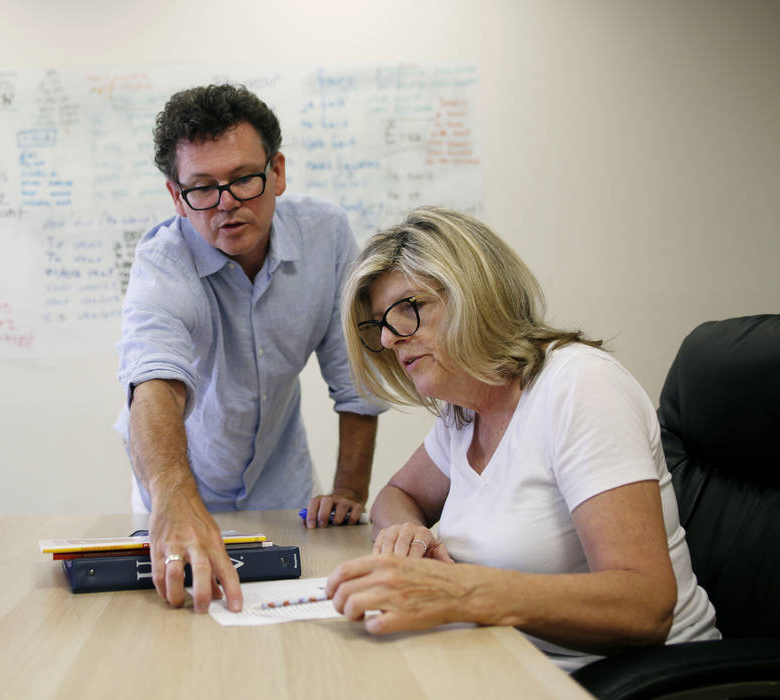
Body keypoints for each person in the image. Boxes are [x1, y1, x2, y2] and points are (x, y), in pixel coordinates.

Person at [324, 206, 719, 670]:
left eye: (408, 309)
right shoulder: (465, 410)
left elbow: (645, 606)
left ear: (475, 293)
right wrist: (404, 535)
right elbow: (397, 493)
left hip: (635, 680)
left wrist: (461, 590)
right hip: (509, 661)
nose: (390, 339)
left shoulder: (579, 387)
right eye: (380, 324)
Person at [115, 84, 384, 613]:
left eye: (243, 179)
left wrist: (350, 493)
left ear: (277, 172)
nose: (226, 203)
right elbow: (154, 384)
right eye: (202, 188)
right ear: (177, 196)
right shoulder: (162, 263)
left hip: (284, 492)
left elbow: (356, 373)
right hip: (177, 491)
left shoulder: (325, 235)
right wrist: (173, 498)